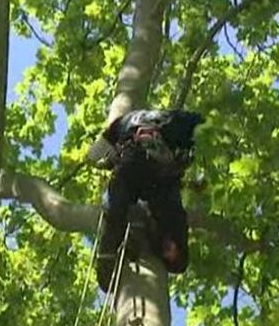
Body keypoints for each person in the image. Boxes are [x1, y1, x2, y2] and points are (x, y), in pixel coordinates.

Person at [87, 109, 203, 291]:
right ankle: (159, 239)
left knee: (116, 205)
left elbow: (93, 155)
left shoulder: (122, 123)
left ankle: (109, 254)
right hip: (161, 176)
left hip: (133, 165)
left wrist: (105, 162)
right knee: (171, 212)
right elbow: (204, 128)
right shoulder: (176, 119)